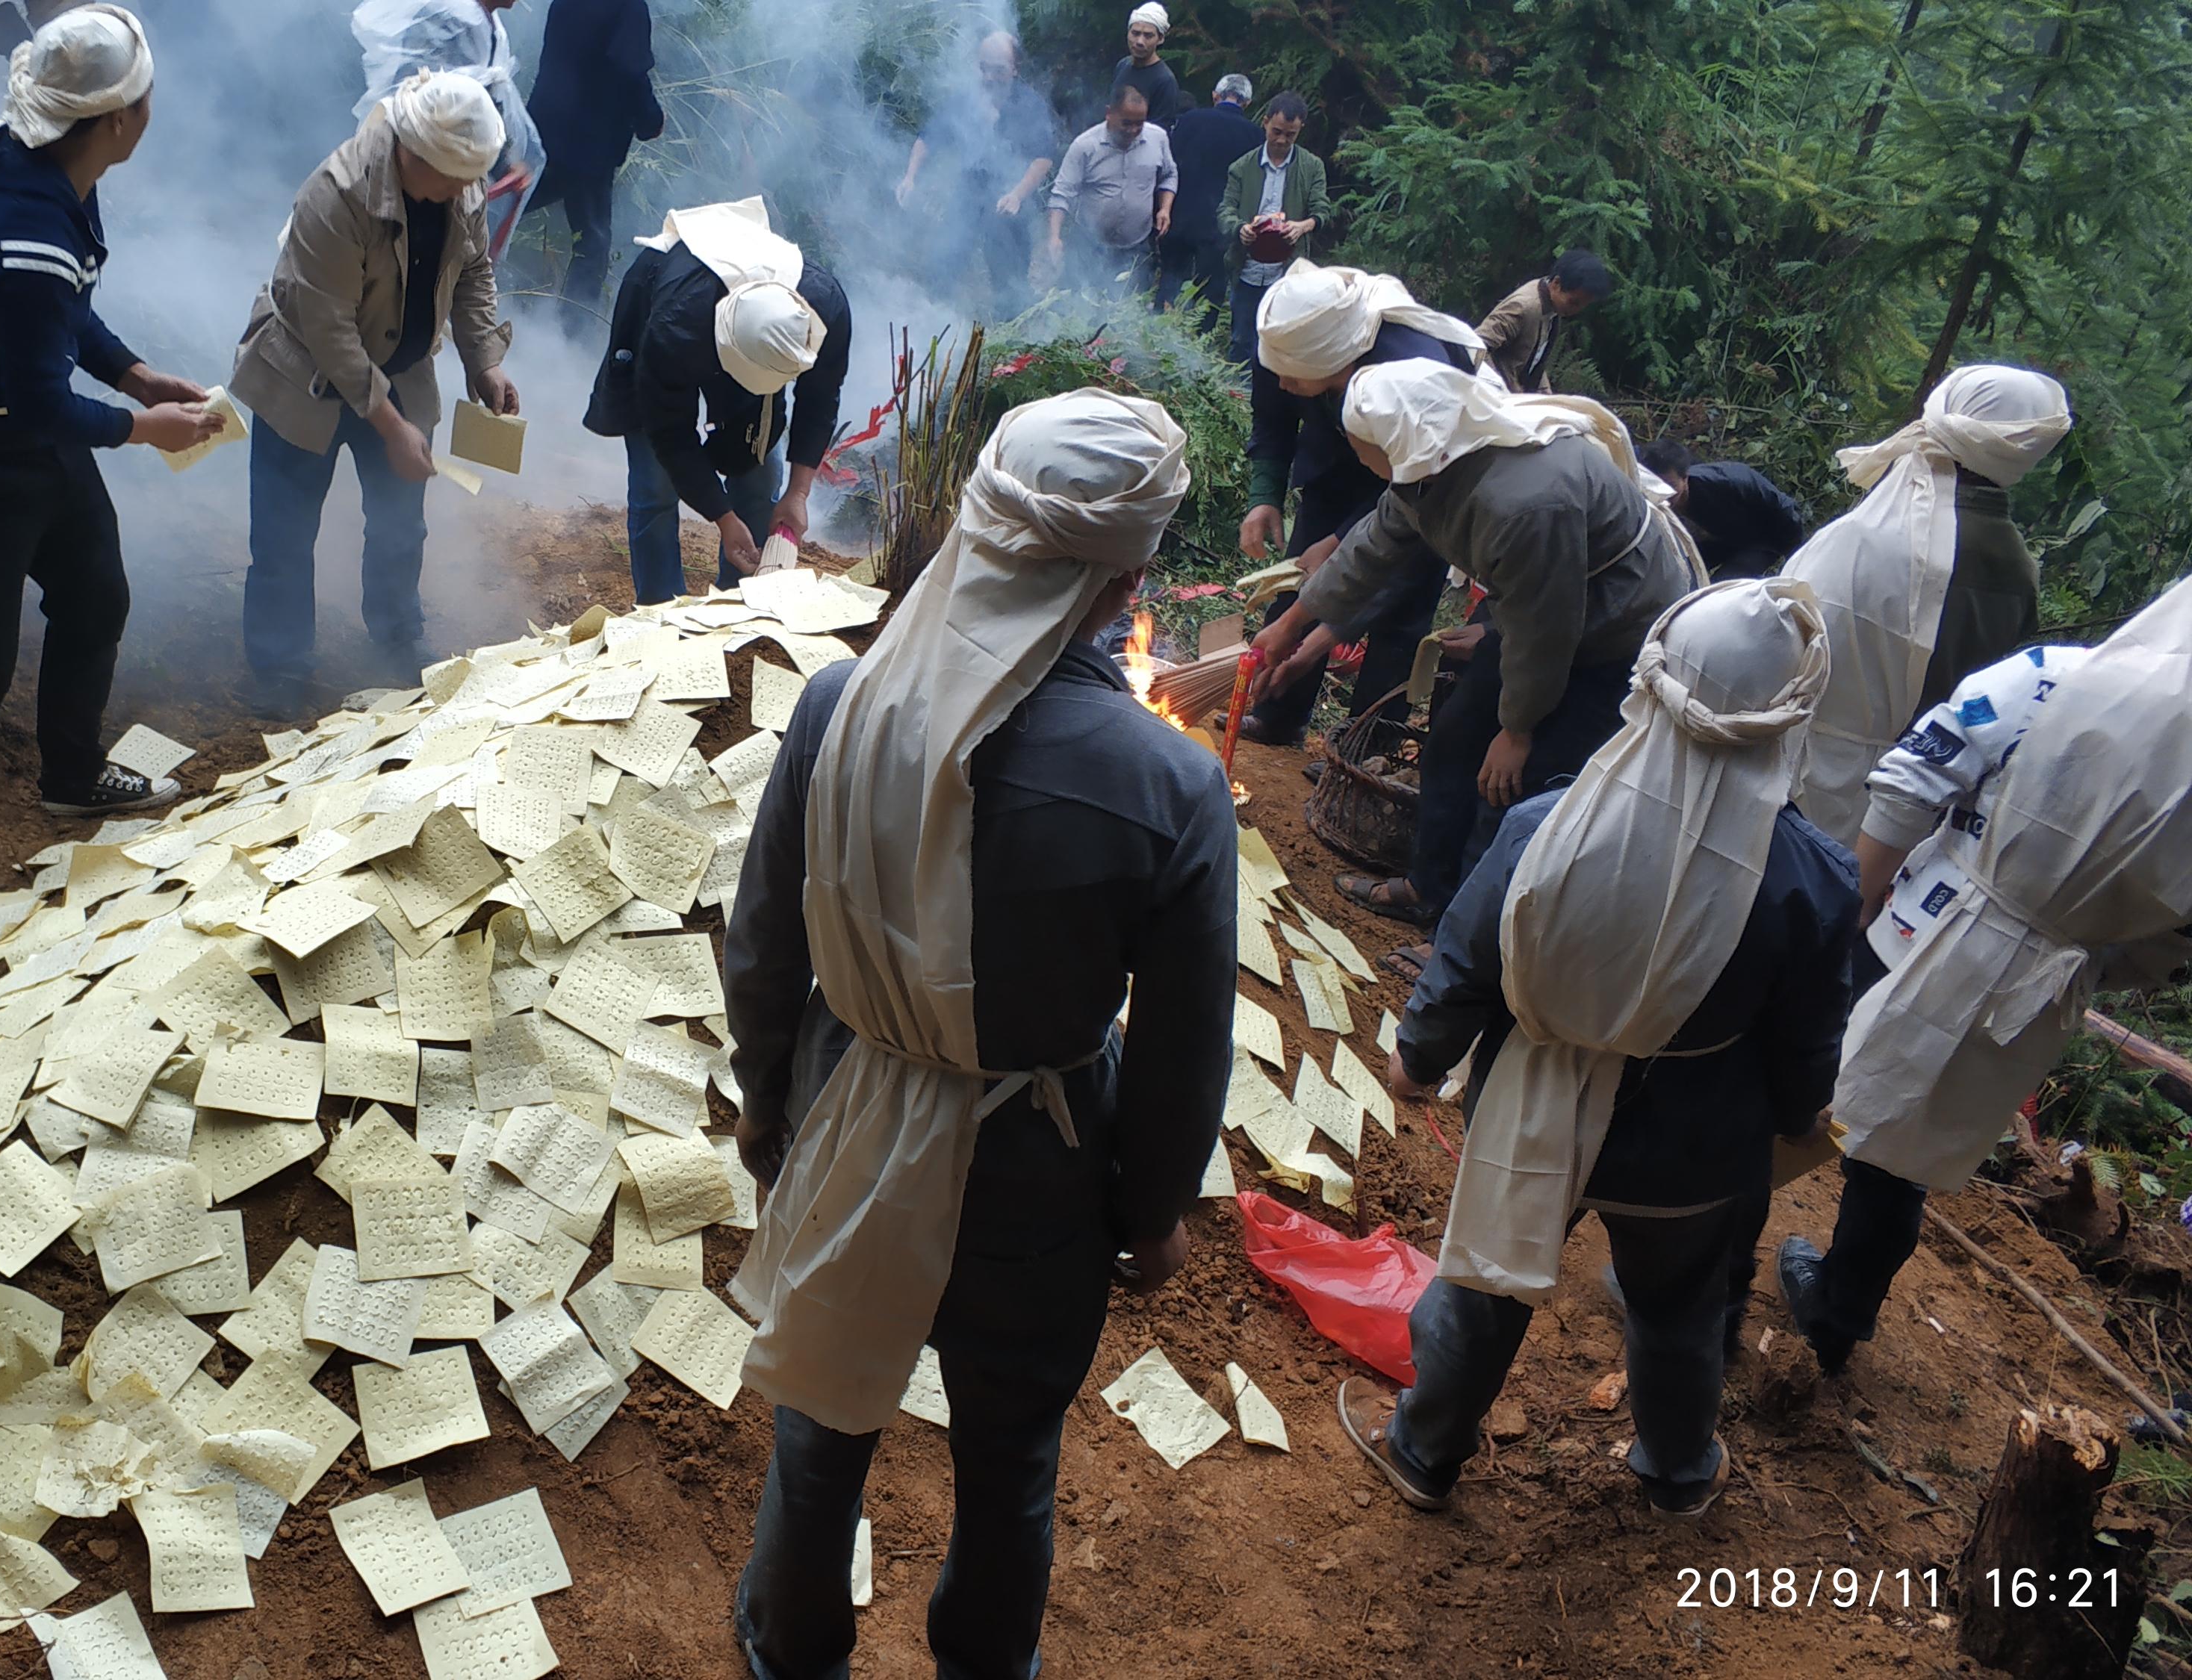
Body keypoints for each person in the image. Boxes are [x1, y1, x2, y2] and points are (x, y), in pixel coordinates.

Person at [725, 389, 1235, 1680]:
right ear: (1132, 568)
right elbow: (1184, 1050)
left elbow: (764, 950)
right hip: (1038, 1165)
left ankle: (795, 1650)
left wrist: (771, 1111)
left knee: (820, 1432)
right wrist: (1152, 1210)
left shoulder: (840, 704)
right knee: (1009, 1460)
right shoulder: (1170, 786)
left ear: (983, 523)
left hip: (849, 1099)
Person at [1344, 580, 1852, 1520]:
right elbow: (1807, 1038)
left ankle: (1424, 1450)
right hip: (1692, 1149)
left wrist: (1417, 1057)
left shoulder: (1548, 829)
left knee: (1483, 1284)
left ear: (1649, 686)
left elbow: (1467, 956)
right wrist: (1784, 1122)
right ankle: (1675, 1469)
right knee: (1678, 1312)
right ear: (1786, 721)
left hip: (1533, 1101)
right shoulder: (1811, 878)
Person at [1780, 575, 2192, 1375]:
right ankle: (1838, 1314)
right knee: (1905, 1155)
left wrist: (1851, 910)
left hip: (1915, 926)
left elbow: (1914, 776)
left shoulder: (2054, 676)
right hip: (2037, 993)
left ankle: (1704, 1275)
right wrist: (2081, 963)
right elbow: (2171, 948)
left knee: (1790, 1085)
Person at [0, 4, 225, 940]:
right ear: (117, 119)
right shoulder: (26, 223)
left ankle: (71, 778)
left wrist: (133, 371)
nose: (152, 108)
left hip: (34, 442)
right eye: (144, 96)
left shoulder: (51, 166)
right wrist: (143, 426)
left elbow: (66, 312)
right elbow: (36, 394)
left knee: (96, 594)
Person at [1261, 358, 1701, 958]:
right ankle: (1427, 886)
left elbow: (1549, 629)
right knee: (1457, 736)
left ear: (1401, 440)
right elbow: (1374, 545)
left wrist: (1518, 729)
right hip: (1534, 615)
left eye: (1361, 441)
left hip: (1609, 634)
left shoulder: (1524, 502)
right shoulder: (1431, 464)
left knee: (1513, 787)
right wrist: (1291, 623)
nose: (1354, 448)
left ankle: (1457, 948)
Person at [235, 70, 520, 712]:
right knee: (284, 529)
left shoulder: (457, 180)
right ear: (409, 155)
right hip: (301, 373)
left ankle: (396, 635)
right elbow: (330, 331)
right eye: (450, 179)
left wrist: (484, 360)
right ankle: (281, 666)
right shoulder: (336, 195)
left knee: (400, 524)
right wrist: (392, 427)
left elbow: (474, 270)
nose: (461, 192)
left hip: (403, 366)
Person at [1780, 364, 2073, 846]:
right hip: (1903, 806)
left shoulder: (1868, 532)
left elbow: (1782, 634)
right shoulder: (2018, 571)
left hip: (1791, 768)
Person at [1231, 263, 1484, 764]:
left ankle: (1365, 749)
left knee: (1399, 613)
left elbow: (1407, 499)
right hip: (1339, 467)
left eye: (1292, 376)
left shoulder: (1412, 366)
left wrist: (1344, 546)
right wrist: (1266, 495)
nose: (1281, 382)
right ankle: (1279, 714)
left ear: (1336, 364)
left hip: (1429, 477)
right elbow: (1273, 415)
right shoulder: (1289, 335)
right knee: (1299, 584)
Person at [583, 197, 851, 605]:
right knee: (656, 482)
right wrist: (723, 519)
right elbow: (669, 433)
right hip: (665, 293)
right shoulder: (672, 329)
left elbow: (819, 399)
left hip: (746, 326)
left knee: (759, 470)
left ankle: (738, 602)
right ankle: (659, 608)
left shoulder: (824, 309)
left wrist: (797, 494)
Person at [351, 0, 543, 257]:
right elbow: (448, 103)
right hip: (419, 158)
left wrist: (506, 163)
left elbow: (482, 103)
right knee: (384, 244)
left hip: (442, 165)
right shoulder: (454, 17)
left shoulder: (489, 25)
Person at [898, 33, 1057, 320]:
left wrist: (1018, 194)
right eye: (984, 68)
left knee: (1010, 281)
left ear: (1015, 68)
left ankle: (1010, 342)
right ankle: (932, 323)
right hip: (969, 194)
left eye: (998, 69)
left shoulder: (1029, 104)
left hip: (1010, 202)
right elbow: (927, 138)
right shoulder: (965, 99)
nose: (989, 77)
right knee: (944, 263)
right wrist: (910, 177)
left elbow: (1043, 156)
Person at [521, 0, 662, 308]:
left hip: (542, 131)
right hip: (589, 147)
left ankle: (449, 271)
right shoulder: (628, 6)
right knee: (592, 244)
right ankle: (572, 339)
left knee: (497, 208)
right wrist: (650, 119)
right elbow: (630, 69)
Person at [1217, 91, 1326, 368]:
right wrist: (1240, 228)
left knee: (1278, 341)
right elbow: (1224, 211)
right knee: (1242, 337)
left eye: (1290, 135)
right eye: (1276, 132)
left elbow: (1323, 210)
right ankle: (1236, 396)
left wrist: (1303, 226)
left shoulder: (1312, 167)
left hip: (1287, 270)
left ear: (1300, 130)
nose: (1281, 141)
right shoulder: (1241, 167)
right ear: (1265, 123)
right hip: (1247, 268)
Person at [1045, 85, 1176, 296]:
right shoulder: (1085, 146)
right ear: (1109, 114)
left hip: (1138, 246)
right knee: (1082, 307)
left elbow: (1169, 175)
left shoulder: (1157, 139)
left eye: (1139, 124)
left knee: (1132, 311)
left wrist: (1165, 209)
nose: (1133, 130)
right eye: (1126, 123)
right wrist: (1054, 237)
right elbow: (1062, 193)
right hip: (1089, 246)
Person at [1155, 72, 1260, 317]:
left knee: (1170, 281)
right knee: (1210, 292)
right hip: (1219, 228)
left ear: (1215, 96)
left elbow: (1170, 165)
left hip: (1180, 218)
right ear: (1246, 103)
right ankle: (1202, 342)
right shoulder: (1255, 136)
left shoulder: (1190, 120)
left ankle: (1156, 338)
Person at [1639, 438, 1805, 579]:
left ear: (1686, 478)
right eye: (1656, 486)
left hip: (1762, 537)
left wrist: (1797, 557)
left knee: (1719, 589)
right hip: (1717, 543)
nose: (1664, 494)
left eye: (1670, 486)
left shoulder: (1726, 482)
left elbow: (1781, 506)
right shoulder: (1649, 501)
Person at [1476, 249, 1612, 394]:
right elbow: (1476, 346)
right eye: (1574, 302)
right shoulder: (1524, 307)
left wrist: (1546, 393)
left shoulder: (1552, 308)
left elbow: (1534, 358)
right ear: (1556, 283)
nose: (1577, 310)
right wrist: (1500, 388)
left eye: (1583, 305)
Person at [1111, 4, 1182, 125]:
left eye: (1148, 36)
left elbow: (1159, 132)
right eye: (1135, 33)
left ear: (1160, 39)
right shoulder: (1123, 65)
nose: (1140, 42)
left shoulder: (1164, 81)